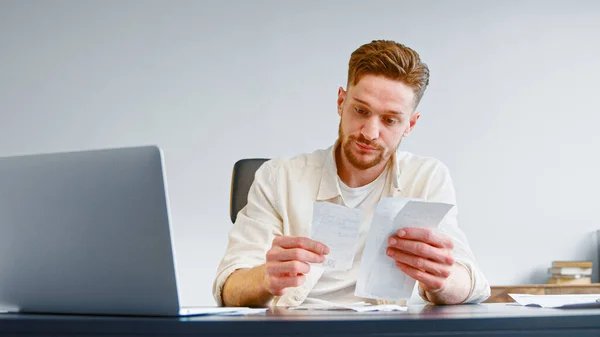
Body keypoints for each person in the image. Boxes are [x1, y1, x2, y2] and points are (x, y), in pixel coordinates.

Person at [212, 40, 490, 308]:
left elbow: (472, 283)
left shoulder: (427, 177)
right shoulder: (278, 177)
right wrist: (265, 279)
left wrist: (441, 281)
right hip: (298, 328)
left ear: (410, 124)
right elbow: (228, 287)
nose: (369, 133)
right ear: (340, 102)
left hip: (387, 332)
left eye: (390, 120)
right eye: (360, 110)